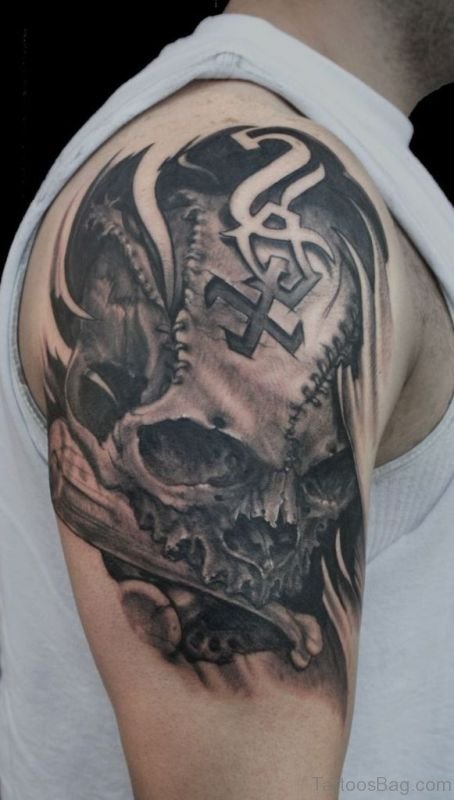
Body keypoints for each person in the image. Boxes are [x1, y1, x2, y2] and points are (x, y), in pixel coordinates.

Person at [1, 2, 453, 799]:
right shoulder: (248, 162)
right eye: (195, 451)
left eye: (312, 482)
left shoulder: (351, 172)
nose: (272, 528)